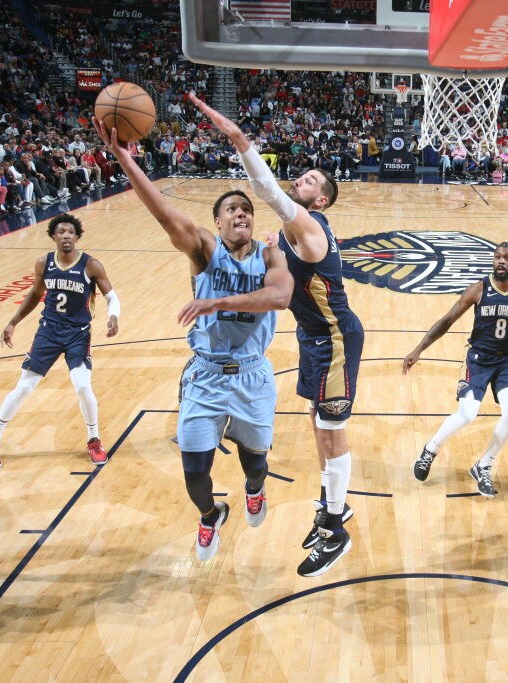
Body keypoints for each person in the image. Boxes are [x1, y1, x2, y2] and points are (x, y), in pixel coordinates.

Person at [93, 118, 293, 563]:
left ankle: (254, 490)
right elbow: (164, 213)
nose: (242, 213)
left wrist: (216, 301)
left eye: (247, 208)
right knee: (195, 472)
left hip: (252, 375)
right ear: (217, 222)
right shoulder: (204, 248)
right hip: (205, 376)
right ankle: (210, 514)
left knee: (255, 462)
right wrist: (124, 158)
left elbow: (280, 298)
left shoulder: (270, 254)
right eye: (232, 209)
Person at [189, 93, 363, 577]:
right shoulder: (293, 232)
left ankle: (336, 529)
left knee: (332, 430)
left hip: (335, 339)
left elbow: (265, 189)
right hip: (314, 338)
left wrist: (237, 137)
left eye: (309, 181)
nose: (300, 179)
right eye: (301, 176)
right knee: (317, 423)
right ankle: (333, 504)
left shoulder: (310, 224)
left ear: (320, 200)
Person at [402, 243, 508, 497]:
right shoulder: (479, 289)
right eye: (497, 257)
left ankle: (484, 465)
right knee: (467, 414)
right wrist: (418, 349)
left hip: (507, 361)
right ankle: (431, 449)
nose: (501, 261)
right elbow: (447, 320)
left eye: (507, 258)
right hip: (478, 360)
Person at [0, 214, 121, 469]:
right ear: (53, 236)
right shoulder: (43, 263)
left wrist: (113, 317)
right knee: (24, 388)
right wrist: (13, 322)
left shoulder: (91, 265)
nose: (66, 236)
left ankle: (94, 439)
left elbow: (112, 297)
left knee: (83, 387)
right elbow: (35, 295)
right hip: (48, 332)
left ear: (77, 237)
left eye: (70, 232)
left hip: (78, 334)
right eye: (61, 232)